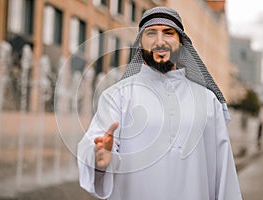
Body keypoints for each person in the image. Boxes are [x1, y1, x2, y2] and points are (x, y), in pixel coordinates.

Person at [77, 6, 242, 200]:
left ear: (181, 42)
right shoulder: (118, 96)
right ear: (140, 42)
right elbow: (94, 144)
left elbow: (224, 174)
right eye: (151, 33)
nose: (160, 41)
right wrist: (99, 157)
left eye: (168, 33)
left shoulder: (207, 101)